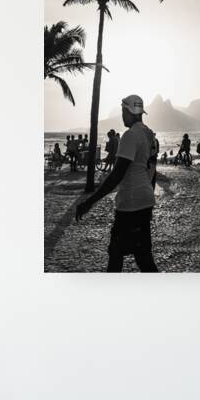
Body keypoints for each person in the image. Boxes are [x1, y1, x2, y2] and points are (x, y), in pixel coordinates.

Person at [76, 94, 159, 272]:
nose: (122, 116)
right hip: (144, 200)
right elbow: (152, 170)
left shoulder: (130, 136)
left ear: (130, 112)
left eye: (123, 111)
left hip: (131, 202)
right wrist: (149, 198)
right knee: (142, 256)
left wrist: (90, 201)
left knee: (117, 253)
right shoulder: (148, 134)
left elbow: (116, 175)